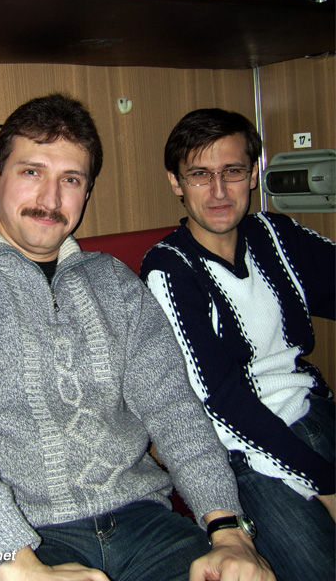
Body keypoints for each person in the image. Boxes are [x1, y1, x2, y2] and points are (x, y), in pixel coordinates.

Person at [0, 95, 274, 581]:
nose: (51, 198)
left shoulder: (114, 283)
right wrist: (18, 567)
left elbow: (173, 409)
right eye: (31, 172)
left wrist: (227, 529)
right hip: (9, 541)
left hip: (143, 525)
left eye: (71, 180)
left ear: (86, 192)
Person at [140, 107, 335, 581]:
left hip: (315, 412)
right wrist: (327, 485)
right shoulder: (169, 270)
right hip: (244, 455)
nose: (219, 191)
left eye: (232, 172)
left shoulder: (274, 234)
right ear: (176, 183)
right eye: (200, 175)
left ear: (252, 175)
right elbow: (222, 403)